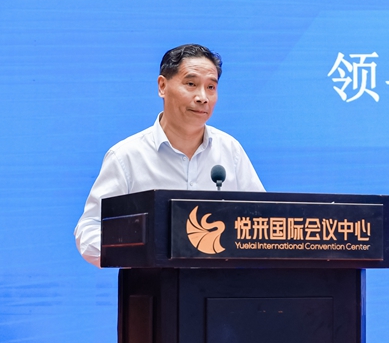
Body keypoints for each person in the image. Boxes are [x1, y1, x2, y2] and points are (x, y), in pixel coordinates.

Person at [74, 44, 264, 267]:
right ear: (162, 86)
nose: (202, 97)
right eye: (191, 84)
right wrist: (141, 250)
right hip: (154, 285)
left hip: (221, 286)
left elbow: (262, 223)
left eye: (211, 87)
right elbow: (89, 230)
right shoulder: (127, 156)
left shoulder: (230, 151)